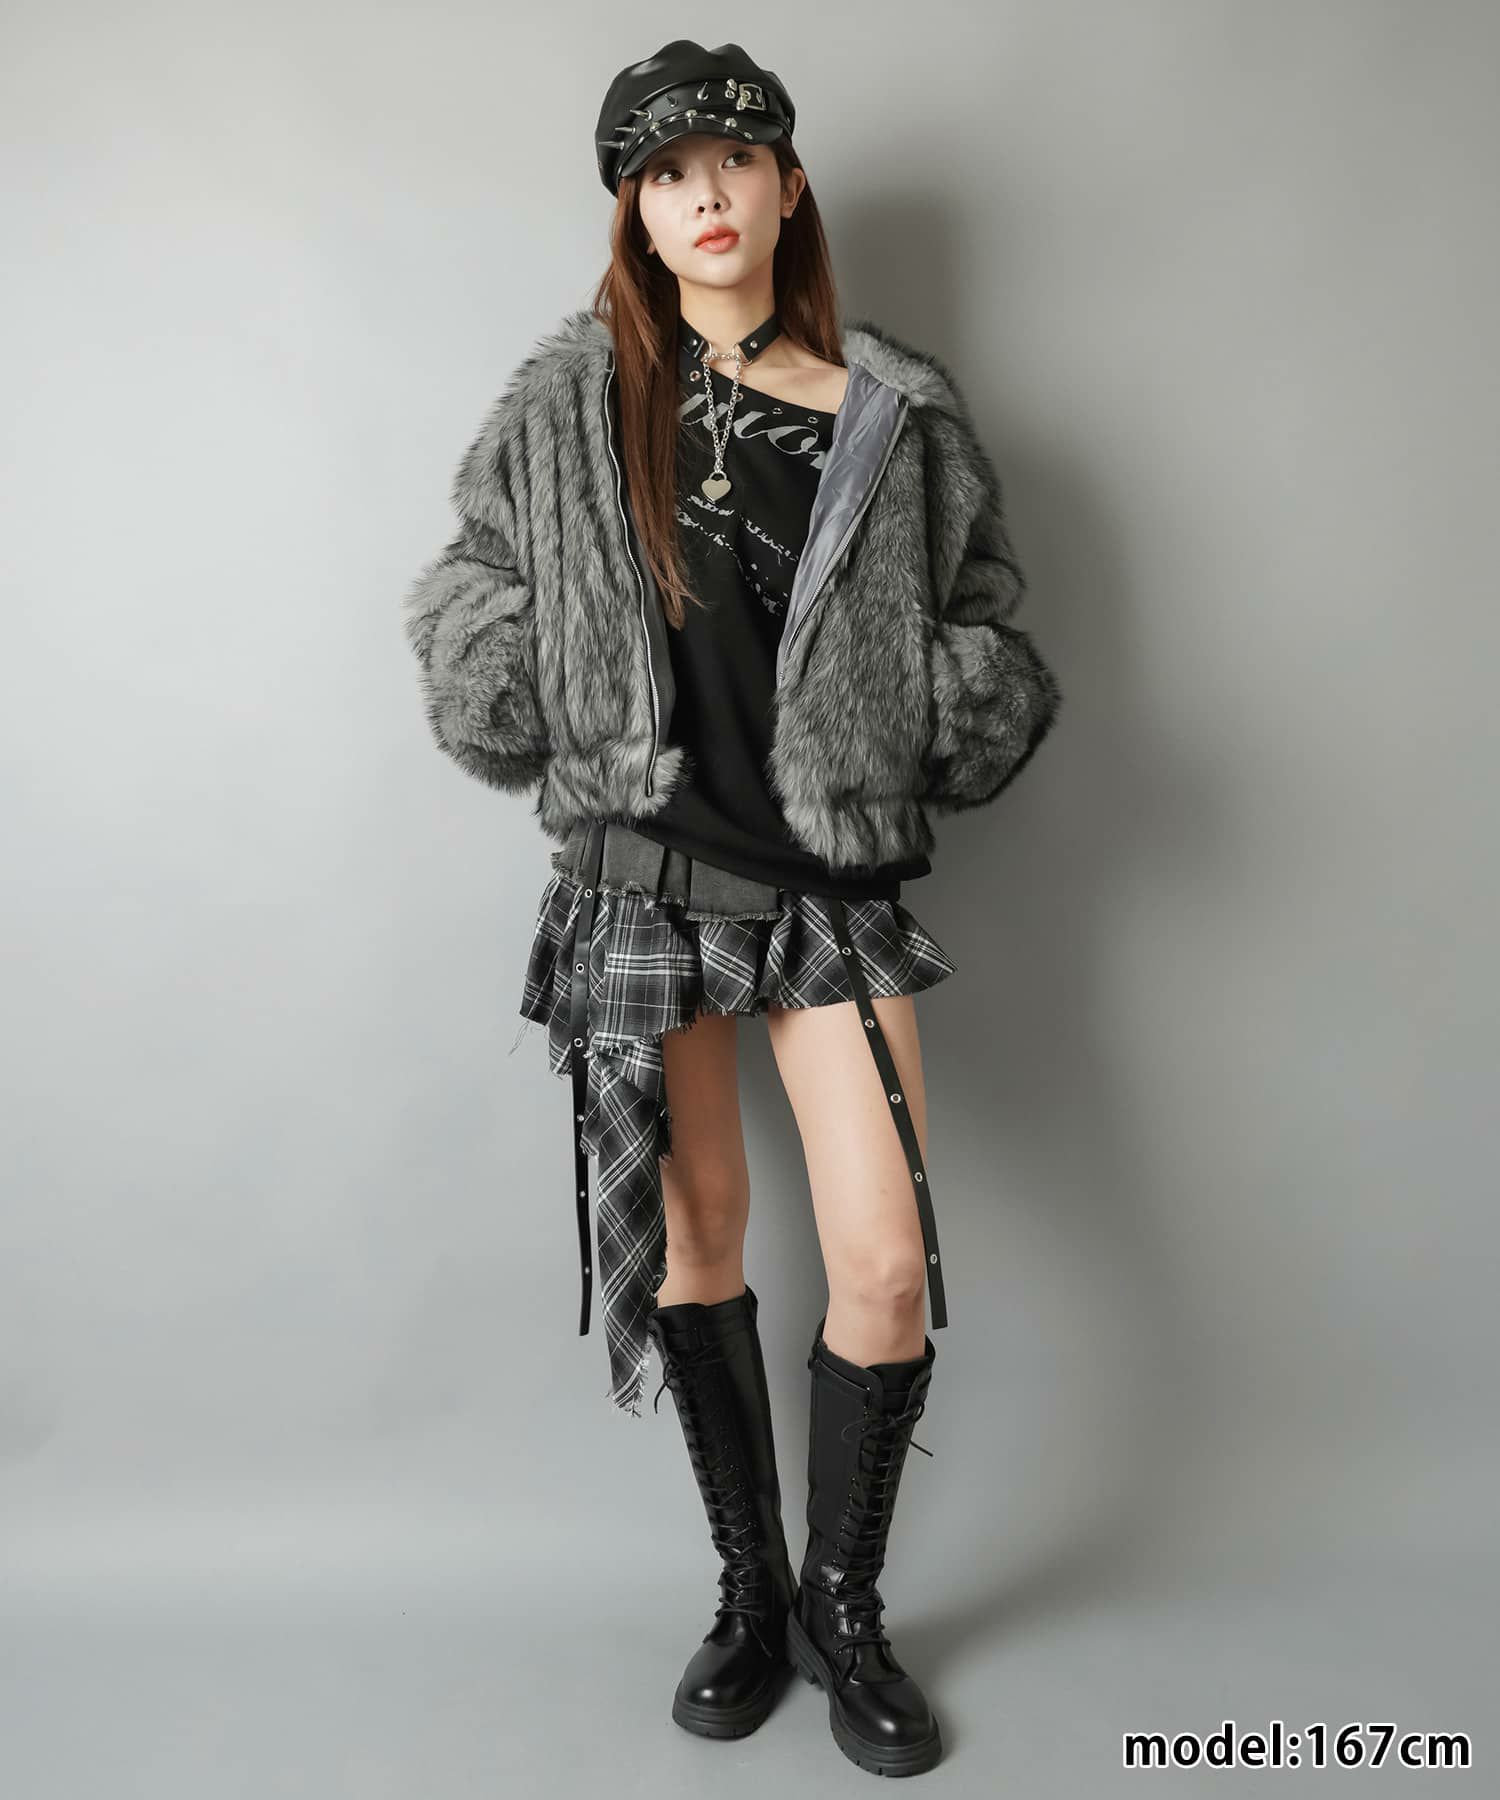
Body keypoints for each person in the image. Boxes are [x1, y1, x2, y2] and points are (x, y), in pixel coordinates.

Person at [402, 37, 1062, 1779]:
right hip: (644, 877)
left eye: (733, 161)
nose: (704, 195)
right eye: (666, 173)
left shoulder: (889, 414)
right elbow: (468, 593)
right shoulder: (571, 405)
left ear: (787, 187)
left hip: (827, 886)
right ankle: (750, 1588)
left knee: (885, 1264)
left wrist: (934, 697)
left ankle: (847, 1602)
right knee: (698, 1244)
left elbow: (986, 617)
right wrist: (525, 684)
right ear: (636, 211)